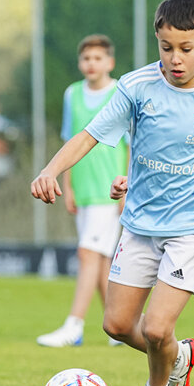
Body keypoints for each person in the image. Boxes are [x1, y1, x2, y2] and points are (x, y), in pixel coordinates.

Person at [31, 0, 194, 386]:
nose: (175, 58)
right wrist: (51, 170)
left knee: (155, 328)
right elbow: (90, 135)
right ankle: (179, 357)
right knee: (116, 325)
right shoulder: (135, 87)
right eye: (166, 47)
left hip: (193, 226)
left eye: (186, 48)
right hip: (139, 222)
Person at [37, 34, 128, 348]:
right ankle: (118, 328)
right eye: (86, 58)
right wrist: (68, 186)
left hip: (109, 191)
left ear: (109, 62)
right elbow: (71, 140)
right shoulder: (72, 94)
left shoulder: (120, 92)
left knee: (88, 254)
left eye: (98, 58)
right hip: (84, 190)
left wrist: (127, 188)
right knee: (99, 261)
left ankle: (74, 326)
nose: (91, 64)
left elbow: (130, 144)